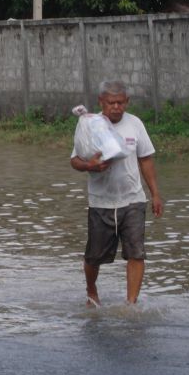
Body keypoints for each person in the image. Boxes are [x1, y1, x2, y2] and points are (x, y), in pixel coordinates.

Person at [70, 80, 163, 307]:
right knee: (94, 256)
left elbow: (146, 159)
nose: (116, 107)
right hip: (101, 201)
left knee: (136, 253)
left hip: (133, 199)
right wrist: (90, 165)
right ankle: (91, 290)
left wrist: (155, 194)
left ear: (127, 102)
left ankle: (131, 303)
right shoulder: (90, 125)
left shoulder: (135, 125)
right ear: (101, 102)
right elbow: (75, 161)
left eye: (120, 102)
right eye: (111, 102)